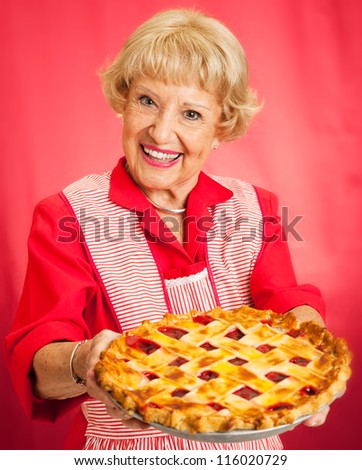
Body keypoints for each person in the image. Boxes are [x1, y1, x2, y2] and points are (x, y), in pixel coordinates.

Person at [5, 8, 329, 450]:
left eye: (191, 114)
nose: (161, 132)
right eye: (147, 101)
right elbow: (40, 365)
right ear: (123, 102)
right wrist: (84, 361)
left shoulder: (257, 208)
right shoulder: (66, 215)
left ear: (222, 126)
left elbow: (284, 306)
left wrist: (308, 340)